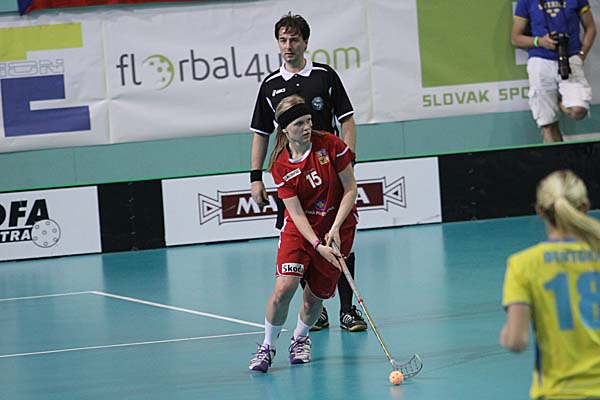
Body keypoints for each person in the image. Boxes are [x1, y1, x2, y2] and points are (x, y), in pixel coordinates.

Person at [249, 12, 366, 332]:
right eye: (283, 40)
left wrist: (348, 160)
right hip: (295, 176)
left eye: (294, 40)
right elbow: (261, 133)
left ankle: (347, 310)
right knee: (303, 237)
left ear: (305, 42)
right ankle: (316, 309)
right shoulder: (270, 85)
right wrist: (256, 177)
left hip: (330, 171)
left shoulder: (324, 76)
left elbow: (347, 119)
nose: (288, 46)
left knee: (341, 236)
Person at [249, 95, 359, 372]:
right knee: (283, 289)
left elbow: (351, 189)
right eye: (299, 123)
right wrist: (317, 244)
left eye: (309, 120)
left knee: (314, 298)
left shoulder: (331, 144)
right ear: (285, 129)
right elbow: (296, 214)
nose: (307, 127)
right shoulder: (280, 165)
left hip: (339, 227)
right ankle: (267, 346)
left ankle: (300, 338)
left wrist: (335, 228)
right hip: (300, 231)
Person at [500, 170, 600, 399]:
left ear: (539, 211)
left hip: (558, 392)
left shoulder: (523, 264)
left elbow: (516, 341)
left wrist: (506, 334)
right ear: (585, 207)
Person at [511, 0, 596, 143]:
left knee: (578, 110)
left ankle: (558, 103)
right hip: (540, 61)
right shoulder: (526, 1)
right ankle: (557, 159)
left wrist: (581, 55)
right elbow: (515, 38)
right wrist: (540, 41)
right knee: (548, 123)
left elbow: (591, 28)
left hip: (570, 59)